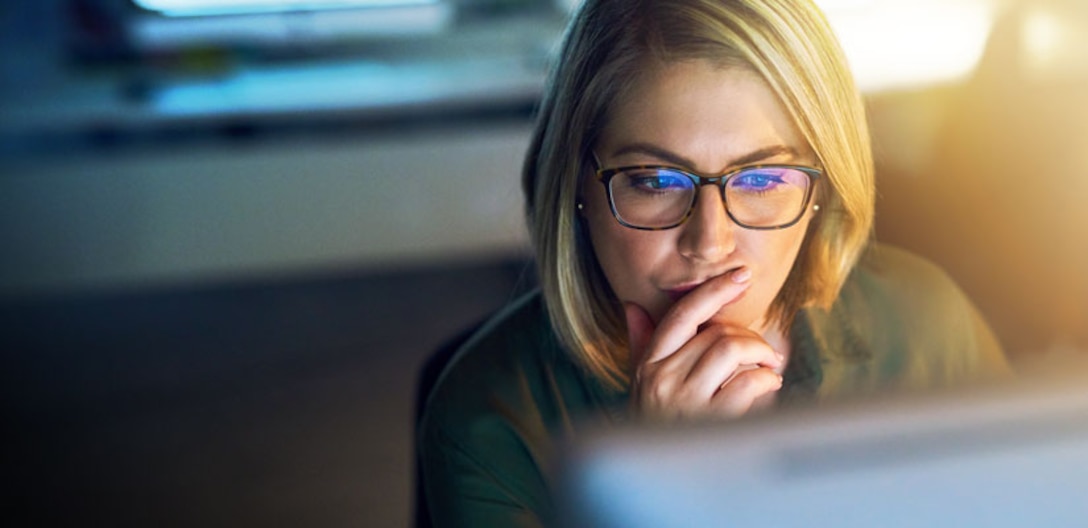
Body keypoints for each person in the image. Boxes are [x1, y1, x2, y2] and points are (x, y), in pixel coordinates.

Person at [417, 0, 1012, 525]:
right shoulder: (488, 421)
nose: (709, 241)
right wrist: (667, 485)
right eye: (654, 180)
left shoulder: (926, 323)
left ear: (822, 191)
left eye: (761, 179)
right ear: (577, 186)